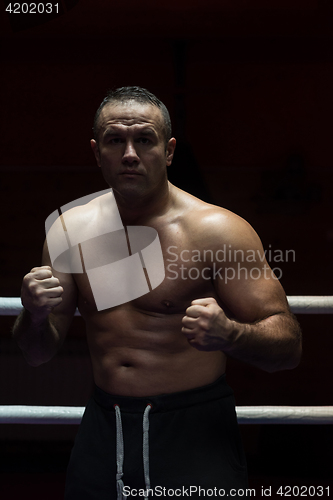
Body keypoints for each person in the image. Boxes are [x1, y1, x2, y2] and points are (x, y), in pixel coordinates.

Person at [12, 86, 302, 499]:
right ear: (97, 152)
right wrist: (34, 315)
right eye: (116, 140)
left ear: (167, 151)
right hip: (104, 426)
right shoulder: (68, 230)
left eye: (144, 139)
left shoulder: (216, 231)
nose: (130, 153)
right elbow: (37, 352)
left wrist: (232, 334)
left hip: (194, 429)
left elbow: (288, 347)